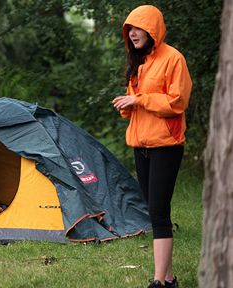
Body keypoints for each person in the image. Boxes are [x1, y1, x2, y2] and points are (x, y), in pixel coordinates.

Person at [112, 5, 191, 288]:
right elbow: (138, 101)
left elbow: (177, 102)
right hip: (140, 145)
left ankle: (158, 282)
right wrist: (127, 104)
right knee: (155, 211)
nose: (132, 34)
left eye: (137, 28)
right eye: (129, 30)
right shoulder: (139, 62)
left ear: (152, 29)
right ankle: (169, 279)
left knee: (158, 211)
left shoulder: (173, 59)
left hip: (165, 145)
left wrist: (140, 100)